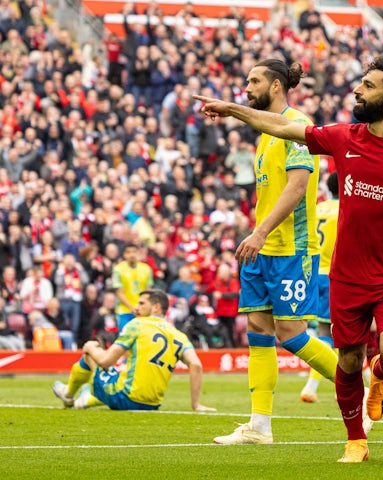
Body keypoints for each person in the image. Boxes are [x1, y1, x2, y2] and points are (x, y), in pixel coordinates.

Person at [196, 53, 383, 462]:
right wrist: (232, 111)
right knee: (348, 358)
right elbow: (282, 125)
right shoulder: (344, 137)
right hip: (346, 275)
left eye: (368, 86)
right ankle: (354, 440)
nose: (358, 90)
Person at [196, 59, 339, 446]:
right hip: (262, 249)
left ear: (276, 86)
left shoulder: (297, 125)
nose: (247, 86)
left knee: (292, 333)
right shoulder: (265, 132)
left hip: (290, 247)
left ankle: (358, 383)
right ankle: (259, 426)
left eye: (254, 81)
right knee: (258, 330)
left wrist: (259, 231)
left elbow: (296, 187)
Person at [52, 289, 215, 412]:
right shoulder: (179, 335)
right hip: (152, 405)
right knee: (122, 373)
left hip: (125, 398)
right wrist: (196, 404)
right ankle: (86, 399)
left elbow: (105, 361)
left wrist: (88, 347)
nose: (136, 308)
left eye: (142, 304)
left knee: (92, 352)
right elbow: (196, 366)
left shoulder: (137, 324)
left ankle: (68, 394)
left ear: (156, 307)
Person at [299, 171, 339, 403]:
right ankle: (312, 386)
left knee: (327, 330)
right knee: (333, 333)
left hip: (315, 273)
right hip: (336, 275)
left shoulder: (318, 209)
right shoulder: (346, 209)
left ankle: (353, 379)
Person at [112, 243, 154, 330]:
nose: (131, 255)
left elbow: (148, 292)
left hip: (142, 311)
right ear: (124, 254)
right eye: (128, 252)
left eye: (134, 252)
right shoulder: (118, 270)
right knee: (125, 339)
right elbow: (120, 293)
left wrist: (142, 308)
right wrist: (133, 308)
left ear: (138, 253)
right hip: (125, 311)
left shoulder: (146, 269)